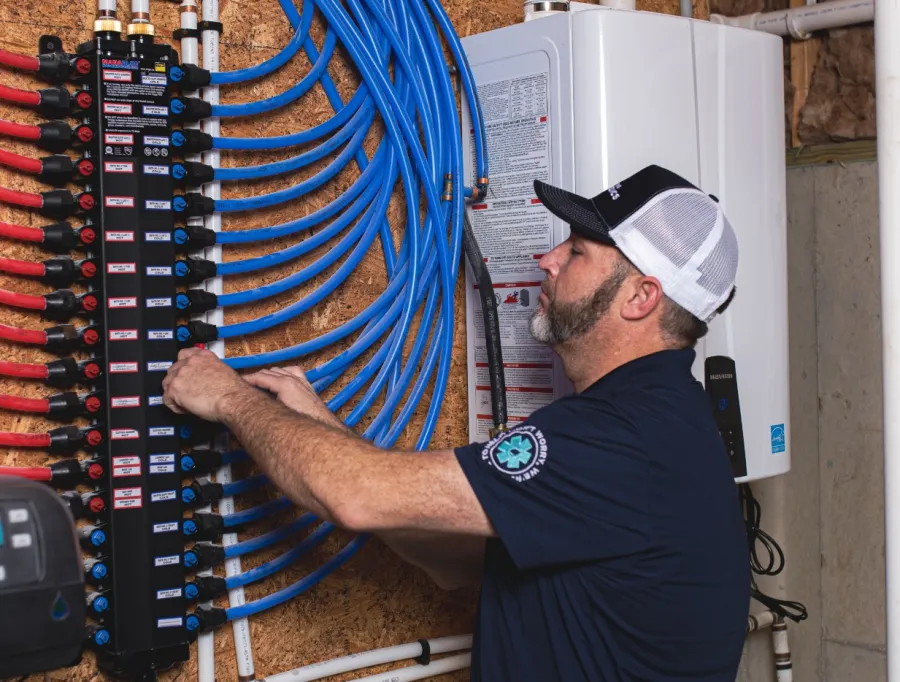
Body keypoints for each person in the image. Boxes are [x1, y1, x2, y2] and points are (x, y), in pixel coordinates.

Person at [162, 164, 750, 681]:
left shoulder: (619, 438)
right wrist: (323, 428)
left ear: (640, 298)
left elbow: (356, 497)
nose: (546, 260)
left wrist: (230, 400)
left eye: (576, 252)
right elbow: (459, 563)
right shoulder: (665, 422)